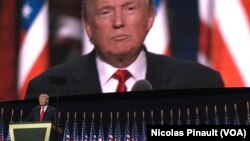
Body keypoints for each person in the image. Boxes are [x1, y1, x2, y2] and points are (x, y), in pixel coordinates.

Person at [25, 0, 224, 99]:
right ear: (88, 26)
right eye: (105, 12)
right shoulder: (47, 91)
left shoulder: (201, 85)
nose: (118, 22)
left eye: (130, 9)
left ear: (149, 18)